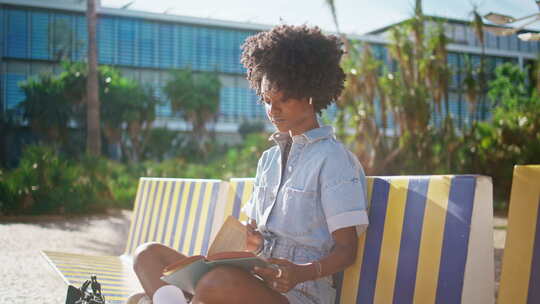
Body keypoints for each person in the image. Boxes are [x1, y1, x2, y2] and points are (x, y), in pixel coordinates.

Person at [126, 24, 369, 304]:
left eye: (283, 99)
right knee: (147, 255)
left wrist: (301, 273)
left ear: (311, 94)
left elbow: (347, 250)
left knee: (217, 282)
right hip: (250, 283)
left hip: (298, 294)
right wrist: (252, 243)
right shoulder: (268, 160)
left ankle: (161, 301)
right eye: (266, 100)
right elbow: (254, 238)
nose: (272, 110)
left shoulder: (334, 160)